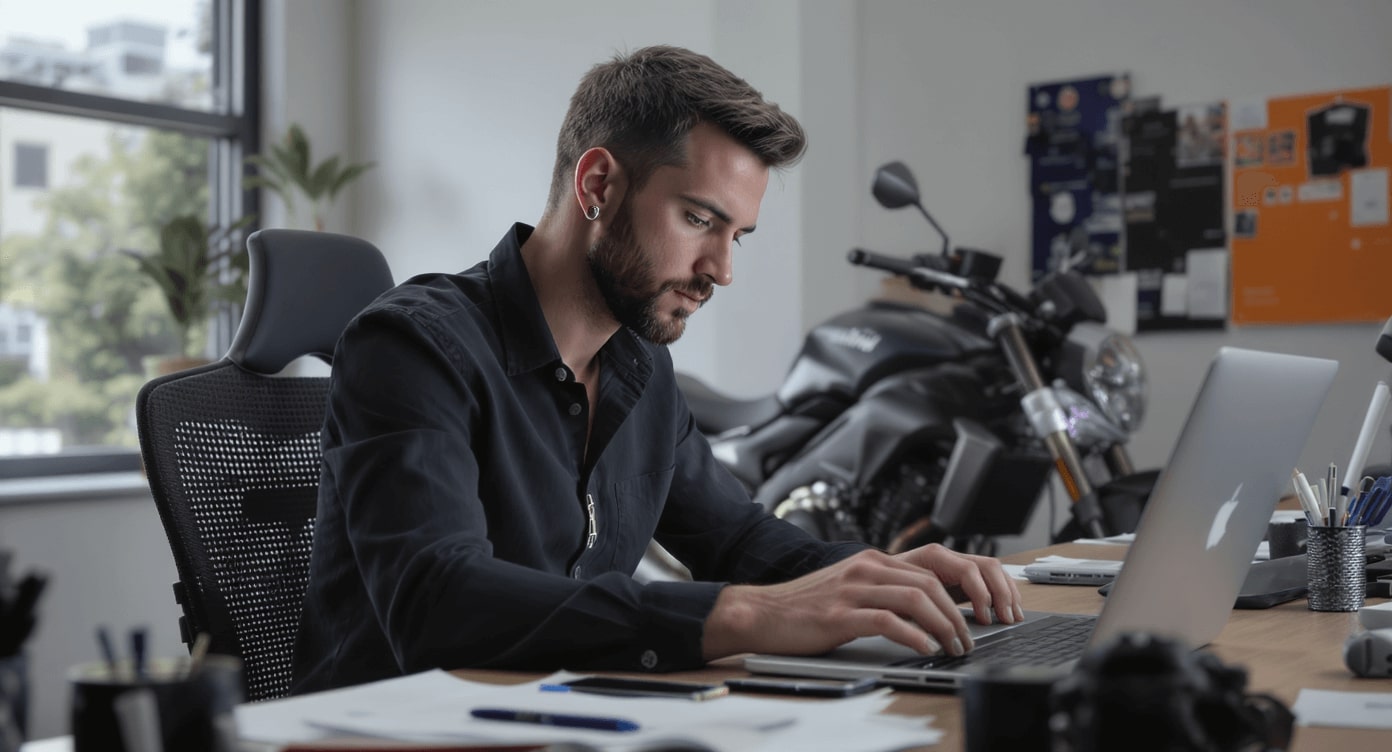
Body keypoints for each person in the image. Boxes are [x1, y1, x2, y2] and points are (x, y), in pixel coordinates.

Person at [290, 44, 1023, 694]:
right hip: (399, 731)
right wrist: (737, 612)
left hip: (563, 717)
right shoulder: (412, 346)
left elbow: (740, 545)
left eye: (738, 235)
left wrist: (890, 578)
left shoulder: (639, 370)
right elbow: (438, 603)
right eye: (700, 220)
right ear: (599, 186)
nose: (722, 271)